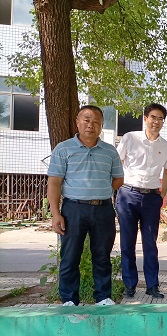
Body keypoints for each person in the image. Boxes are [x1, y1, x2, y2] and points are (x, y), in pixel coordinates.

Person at [47, 105, 124, 306]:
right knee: (70, 257)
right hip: (73, 209)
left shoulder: (110, 151)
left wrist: (101, 190)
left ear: (101, 126)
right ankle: (69, 300)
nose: (91, 125)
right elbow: (54, 183)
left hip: (103, 210)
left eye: (96, 122)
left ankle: (103, 298)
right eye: (86, 120)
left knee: (102, 256)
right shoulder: (63, 149)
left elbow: (118, 179)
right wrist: (56, 214)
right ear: (77, 122)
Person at [116, 103, 167, 299]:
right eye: (153, 117)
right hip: (128, 195)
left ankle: (152, 285)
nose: (156, 122)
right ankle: (129, 284)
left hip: (151, 198)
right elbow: (117, 163)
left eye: (160, 119)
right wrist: (116, 189)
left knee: (150, 244)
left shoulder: (166, 146)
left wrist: (162, 195)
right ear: (145, 118)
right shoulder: (130, 138)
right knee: (127, 243)